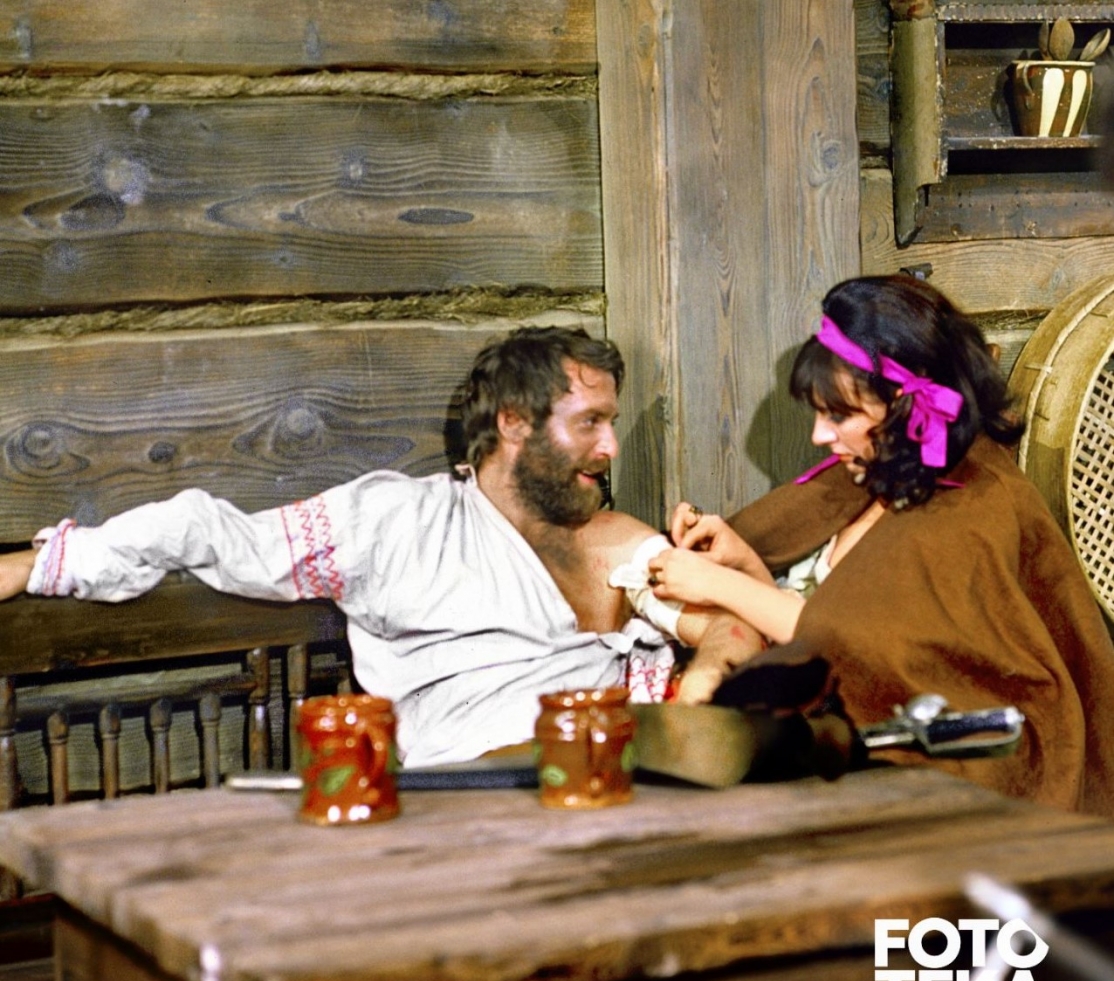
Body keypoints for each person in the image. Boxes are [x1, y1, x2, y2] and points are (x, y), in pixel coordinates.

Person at [0, 326, 758, 767]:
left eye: (612, 422)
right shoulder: (393, 525)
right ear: (514, 424)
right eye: (589, 422)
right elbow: (206, 531)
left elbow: (725, 622)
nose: (612, 446)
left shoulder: (615, 540)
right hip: (486, 796)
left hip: (635, 770)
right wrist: (40, 564)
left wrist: (703, 679)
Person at [647, 275, 1114, 816]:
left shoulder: (971, 505)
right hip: (856, 716)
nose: (820, 436)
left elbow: (858, 644)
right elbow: (831, 618)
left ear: (903, 403)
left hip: (974, 754)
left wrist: (717, 584)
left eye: (839, 415)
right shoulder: (876, 473)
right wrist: (743, 560)